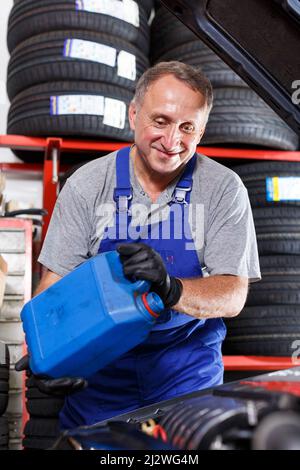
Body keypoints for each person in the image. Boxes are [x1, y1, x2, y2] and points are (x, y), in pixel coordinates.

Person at [16, 61, 261, 429]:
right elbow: (54, 289)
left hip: (186, 377)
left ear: (202, 130)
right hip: (100, 380)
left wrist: (172, 288)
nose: (172, 140)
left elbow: (232, 294)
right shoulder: (87, 185)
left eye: (187, 127)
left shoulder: (224, 189)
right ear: (134, 114)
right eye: (160, 121)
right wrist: (48, 355)